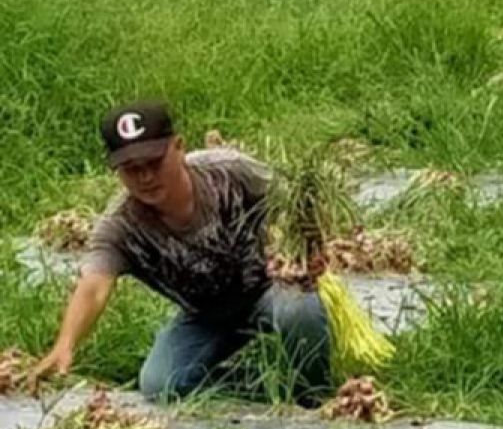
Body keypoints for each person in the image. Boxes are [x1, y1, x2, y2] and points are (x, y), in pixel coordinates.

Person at [30, 101, 331, 403]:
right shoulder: (121, 226)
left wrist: (309, 251)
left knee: (299, 310)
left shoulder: (229, 172)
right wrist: (65, 345)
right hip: (206, 316)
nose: (146, 178)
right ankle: (264, 387)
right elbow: (94, 286)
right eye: (132, 170)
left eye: (154, 163)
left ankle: (312, 392)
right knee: (159, 385)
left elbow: (297, 203)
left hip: (271, 290)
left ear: (178, 146)